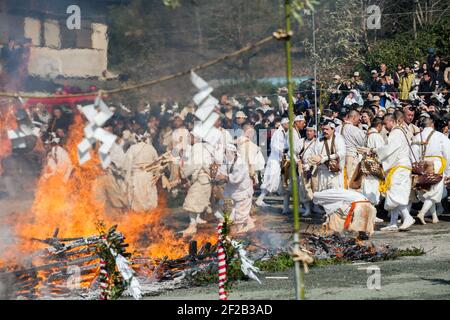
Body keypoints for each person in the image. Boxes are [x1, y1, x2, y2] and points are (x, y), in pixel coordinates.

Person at [358, 112, 415, 231]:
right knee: (392, 191)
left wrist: (372, 150)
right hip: (398, 166)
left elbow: (389, 149)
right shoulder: (399, 132)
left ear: (392, 121)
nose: (384, 126)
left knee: (395, 192)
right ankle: (393, 222)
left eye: (385, 123)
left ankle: (407, 216)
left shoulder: (396, 132)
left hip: (400, 166)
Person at [412, 117, 450, 225]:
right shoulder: (440, 136)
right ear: (432, 125)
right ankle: (422, 213)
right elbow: (448, 154)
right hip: (436, 164)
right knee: (435, 192)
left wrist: (415, 168)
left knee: (427, 191)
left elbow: (413, 155)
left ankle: (434, 216)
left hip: (421, 165)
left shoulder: (416, 137)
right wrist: (448, 172)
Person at [180, 133, 215, 237]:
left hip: (202, 178)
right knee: (199, 202)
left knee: (191, 201)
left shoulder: (197, 147)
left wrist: (185, 174)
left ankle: (192, 226)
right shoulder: (202, 147)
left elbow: (196, 164)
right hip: (204, 178)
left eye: (190, 137)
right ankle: (195, 222)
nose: (188, 139)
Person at [217, 144, 255, 234]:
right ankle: (249, 224)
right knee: (233, 211)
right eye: (225, 152)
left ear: (233, 153)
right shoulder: (226, 160)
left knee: (240, 212)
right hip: (233, 191)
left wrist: (225, 177)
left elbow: (237, 179)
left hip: (243, 191)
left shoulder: (240, 163)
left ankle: (240, 230)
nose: (225, 154)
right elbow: (221, 172)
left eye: (227, 152)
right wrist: (218, 178)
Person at [256, 118, 289, 207]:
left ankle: (285, 205)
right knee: (270, 180)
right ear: (284, 124)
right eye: (288, 123)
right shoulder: (278, 133)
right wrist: (282, 153)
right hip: (275, 160)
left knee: (278, 181)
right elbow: (274, 146)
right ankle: (260, 199)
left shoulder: (284, 133)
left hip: (280, 160)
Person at [123, 129, 159, 212]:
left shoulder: (132, 148)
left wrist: (126, 180)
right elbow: (157, 165)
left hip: (137, 177)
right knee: (148, 198)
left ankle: (142, 219)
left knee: (138, 200)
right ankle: (148, 220)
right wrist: (155, 177)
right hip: (148, 176)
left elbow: (127, 166)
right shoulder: (151, 148)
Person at [309, 120, 346, 192]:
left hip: (335, 172)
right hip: (322, 172)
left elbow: (342, 153)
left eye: (327, 129)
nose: (325, 131)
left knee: (335, 194)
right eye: (323, 129)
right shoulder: (319, 139)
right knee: (323, 195)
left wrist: (326, 158)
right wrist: (314, 159)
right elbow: (314, 152)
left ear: (333, 129)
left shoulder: (338, 138)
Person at [360, 117, 385, 223]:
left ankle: (368, 214)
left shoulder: (367, 135)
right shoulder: (376, 136)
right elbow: (381, 152)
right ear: (379, 126)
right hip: (374, 165)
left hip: (366, 164)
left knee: (367, 188)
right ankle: (371, 215)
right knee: (373, 189)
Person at [336, 110, 366, 188]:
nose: (359, 121)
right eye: (358, 119)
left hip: (339, 157)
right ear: (354, 118)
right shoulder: (354, 129)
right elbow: (363, 143)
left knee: (341, 180)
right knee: (351, 180)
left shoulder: (337, 128)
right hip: (351, 157)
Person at [297, 124, 318, 217]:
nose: (309, 133)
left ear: (314, 132)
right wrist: (298, 161)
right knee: (304, 188)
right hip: (303, 167)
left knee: (315, 188)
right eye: (307, 131)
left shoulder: (318, 142)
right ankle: (307, 209)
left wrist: (311, 164)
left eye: (311, 131)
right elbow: (292, 153)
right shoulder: (301, 141)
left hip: (315, 167)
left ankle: (316, 207)